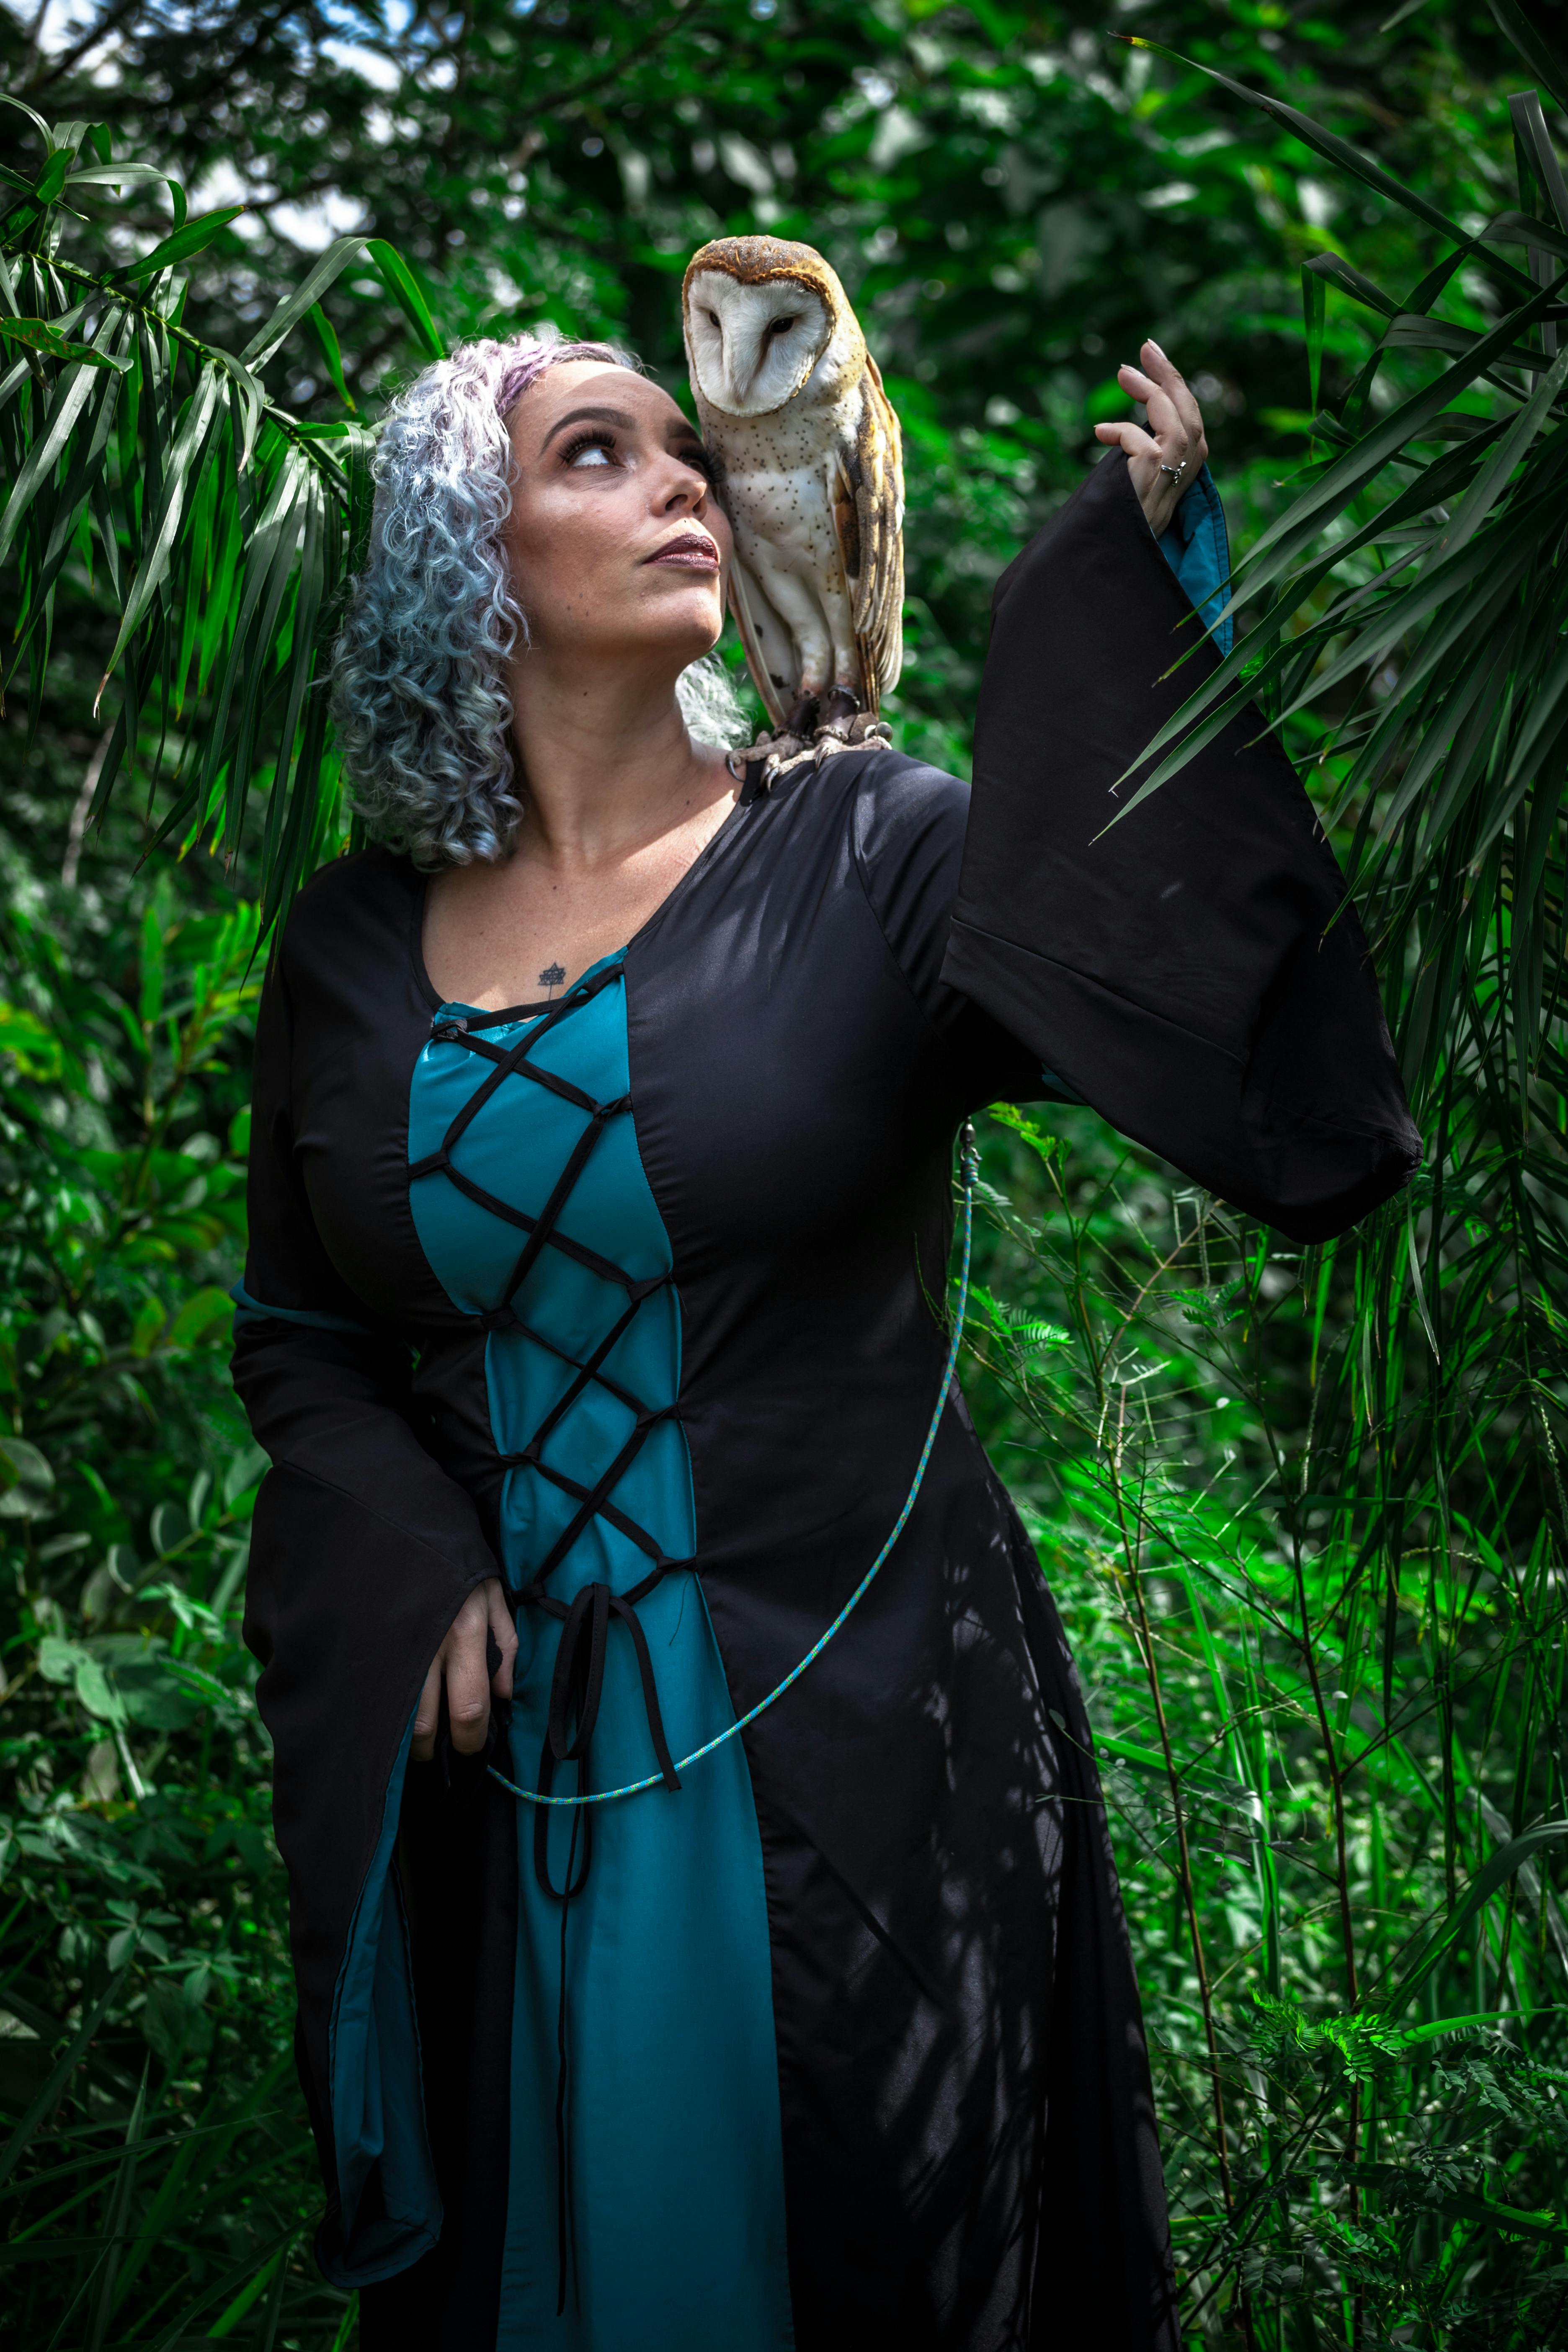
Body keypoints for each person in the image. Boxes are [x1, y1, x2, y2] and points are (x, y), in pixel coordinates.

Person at [232, 322, 1417, 2352]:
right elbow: (300, 1340)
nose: (686, 481)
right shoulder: (352, 948)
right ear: (471, 556)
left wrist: (1131, 588)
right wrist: (408, 1556)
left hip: (869, 1727)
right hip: (511, 1777)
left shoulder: (864, 849)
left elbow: (1161, 974)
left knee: (876, 2258)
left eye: (689, 450)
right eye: (600, 456)